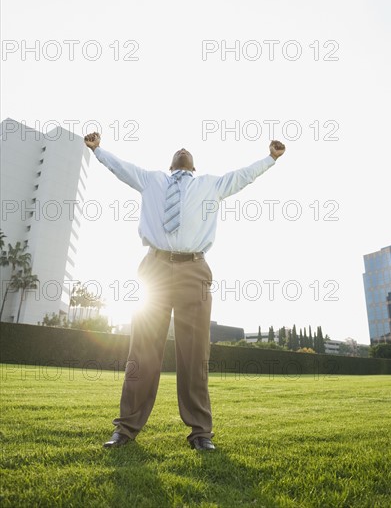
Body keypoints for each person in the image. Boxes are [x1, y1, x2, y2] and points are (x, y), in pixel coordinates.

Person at [84, 132, 286, 451]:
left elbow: (242, 177)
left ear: (192, 165)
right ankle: (125, 429)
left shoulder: (211, 184)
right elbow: (121, 168)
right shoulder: (151, 180)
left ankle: (200, 433)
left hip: (194, 269)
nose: (182, 149)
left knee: (195, 355)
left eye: (187, 150)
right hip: (155, 270)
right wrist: (98, 151)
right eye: (177, 150)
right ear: (171, 164)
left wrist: (270, 159)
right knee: (142, 353)